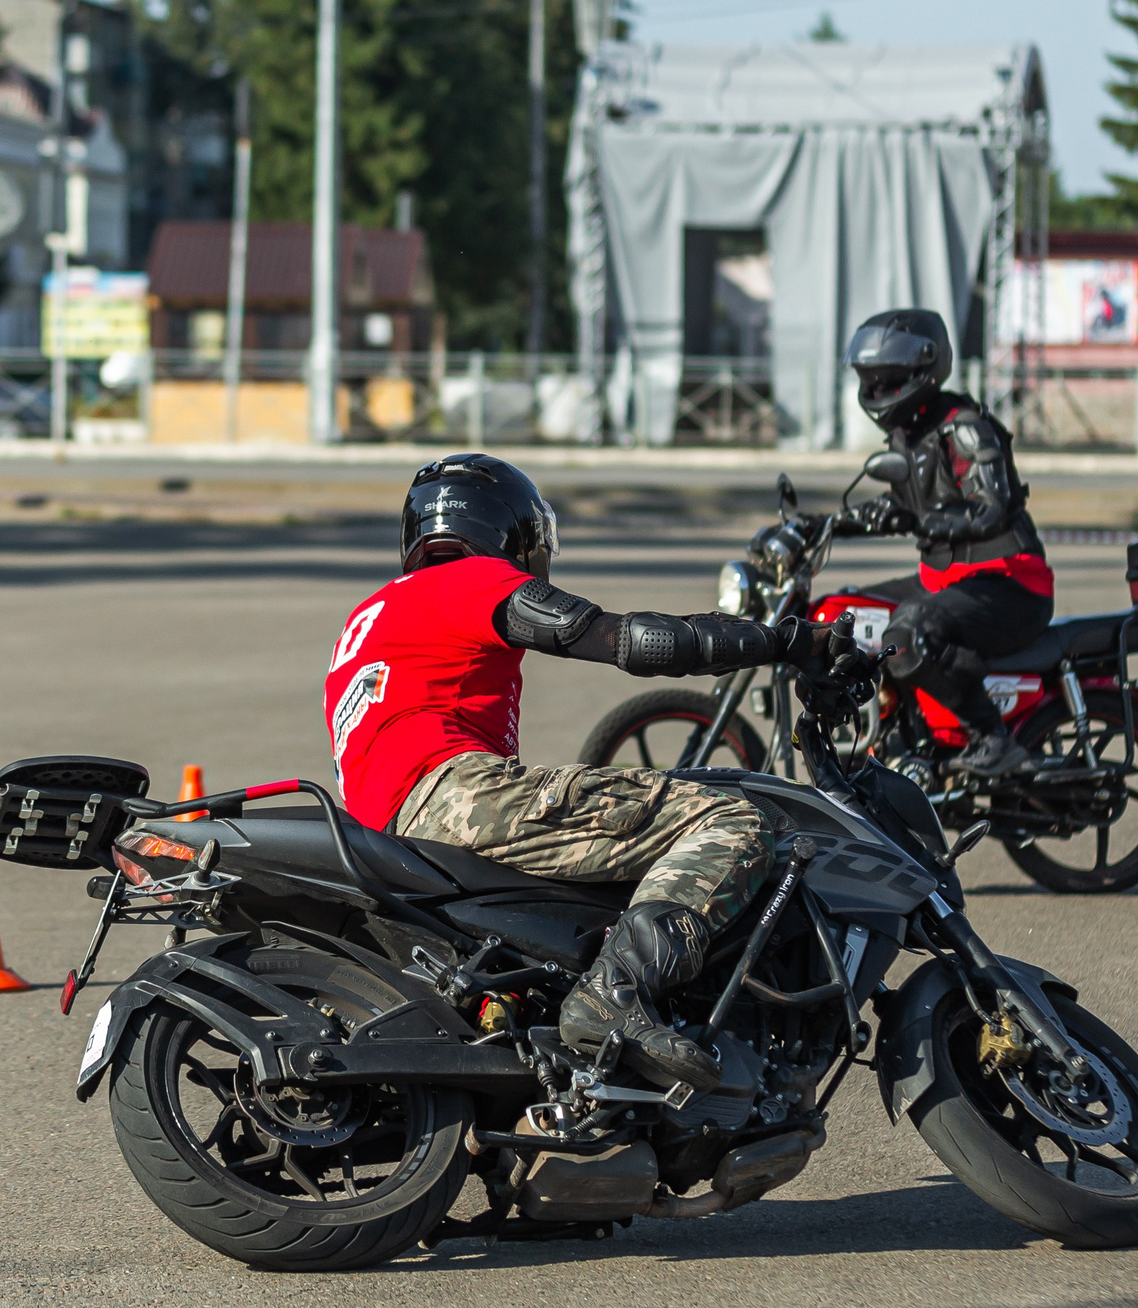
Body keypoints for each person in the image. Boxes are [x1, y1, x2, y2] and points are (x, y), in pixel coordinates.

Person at [322, 453, 869, 1093]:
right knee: (732, 818)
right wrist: (784, 643)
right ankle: (618, 991)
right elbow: (624, 641)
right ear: (505, 527)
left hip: (392, 832)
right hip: (458, 795)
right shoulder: (470, 581)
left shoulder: (371, 616)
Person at [837, 309, 1053, 777]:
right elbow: (910, 508)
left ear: (920, 371)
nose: (875, 392)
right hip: (945, 580)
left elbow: (992, 506)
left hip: (1011, 585)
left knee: (907, 632)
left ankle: (992, 737)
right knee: (843, 612)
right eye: (869, 381)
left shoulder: (965, 427)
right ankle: (898, 733)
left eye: (885, 379)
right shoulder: (907, 437)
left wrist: (920, 521)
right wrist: (822, 525)